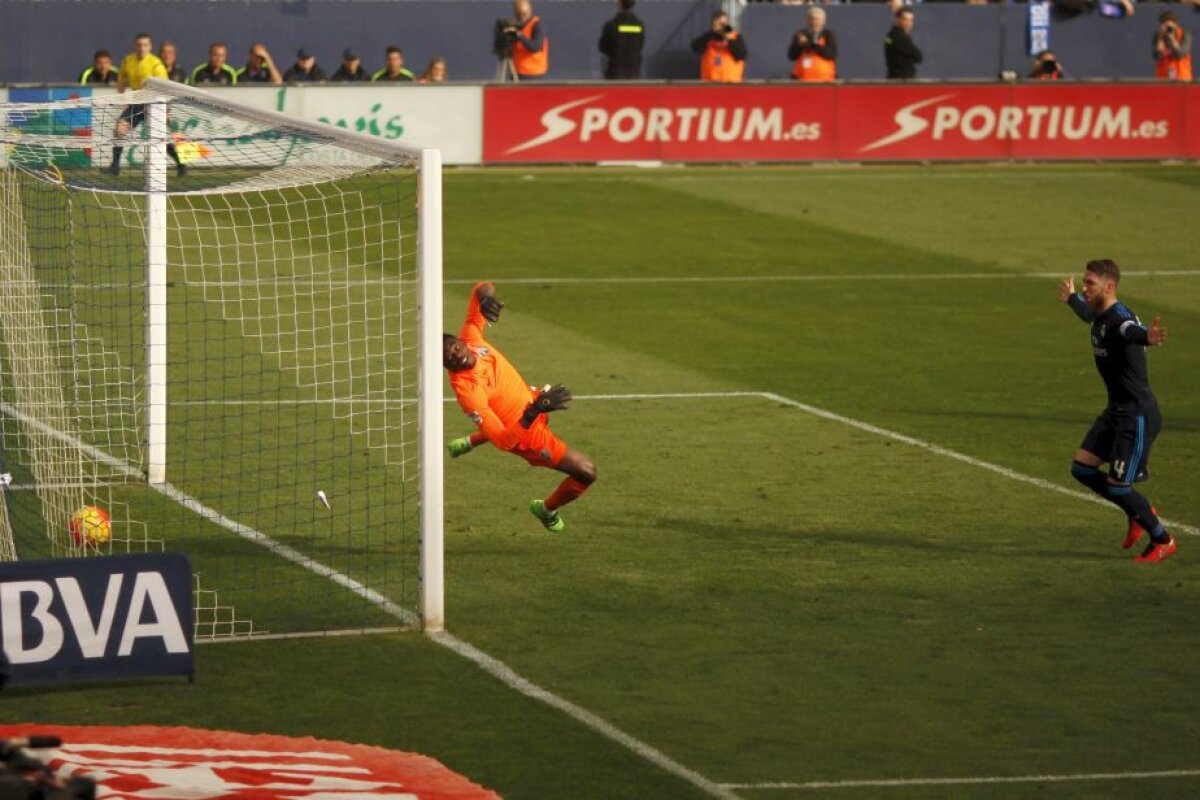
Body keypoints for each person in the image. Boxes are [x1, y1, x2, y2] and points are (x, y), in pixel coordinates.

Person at [445, 283, 597, 533]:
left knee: (504, 415)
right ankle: (546, 509)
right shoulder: (468, 393)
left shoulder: (471, 338)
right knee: (587, 472)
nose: (457, 355)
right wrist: (534, 411)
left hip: (528, 400)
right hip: (527, 435)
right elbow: (505, 442)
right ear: (446, 367)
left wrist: (485, 299)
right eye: (449, 358)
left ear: (460, 342)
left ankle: (471, 441)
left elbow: (482, 286)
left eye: (455, 347)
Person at [1058, 260, 1175, 563]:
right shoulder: (1099, 313)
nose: (1085, 287)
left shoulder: (1121, 319)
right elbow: (1089, 315)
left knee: (1120, 487)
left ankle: (1162, 538)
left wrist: (1147, 336)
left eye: (1090, 284)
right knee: (1081, 469)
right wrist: (1072, 298)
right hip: (1116, 411)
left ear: (1109, 287)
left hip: (1137, 416)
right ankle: (1134, 513)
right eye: (1084, 282)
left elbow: (1129, 330)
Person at [110, 33, 184, 177]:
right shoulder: (128, 60)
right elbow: (121, 79)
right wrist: (122, 98)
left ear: (150, 47)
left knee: (160, 138)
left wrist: (166, 110)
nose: (141, 48)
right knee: (119, 130)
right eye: (139, 45)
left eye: (145, 45)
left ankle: (180, 163)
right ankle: (115, 166)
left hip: (154, 105)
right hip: (136, 104)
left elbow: (166, 88)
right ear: (134, 46)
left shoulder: (156, 64)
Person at [691, 10, 747, 83]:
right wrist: (713, 33)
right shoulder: (708, 38)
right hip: (710, 86)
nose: (721, 26)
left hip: (731, 85)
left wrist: (728, 37)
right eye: (718, 23)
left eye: (723, 23)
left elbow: (741, 54)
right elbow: (695, 47)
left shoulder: (735, 37)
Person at [598, 0, 645, 80]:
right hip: (634, 72)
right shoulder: (639, 25)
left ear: (619, 3)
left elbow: (602, 47)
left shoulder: (611, 25)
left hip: (615, 72)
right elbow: (640, 45)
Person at [501, 0, 549, 79]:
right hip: (518, 71)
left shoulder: (537, 25)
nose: (522, 18)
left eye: (523, 14)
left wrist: (520, 36)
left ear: (529, 11)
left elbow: (535, 47)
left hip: (533, 73)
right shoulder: (518, 25)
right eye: (519, 15)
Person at [788, 7, 837, 82]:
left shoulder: (829, 34)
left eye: (817, 19)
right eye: (811, 19)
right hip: (802, 82)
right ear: (807, 20)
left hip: (825, 82)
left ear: (823, 21)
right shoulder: (801, 34)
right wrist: (799, 45)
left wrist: (810, 43)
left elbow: (831, 54)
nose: (814, 22)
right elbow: (792, 56)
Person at [884, 7, 922, 80]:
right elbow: (918, 56)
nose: (908, 23)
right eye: (905, 19)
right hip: (901, 82)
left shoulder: (891, 35)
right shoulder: (899, 36)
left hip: (896, 79)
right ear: (897, 19)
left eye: (911, 20)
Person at [1154, 12, 1192, 81]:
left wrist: (1172, 39)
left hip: (1182, 78)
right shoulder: (1158, 37)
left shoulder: (1184, 35)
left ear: (1176, 25)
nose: (1168, 29)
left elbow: (1180, 53)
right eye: (1166, 25)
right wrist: (1161, 37)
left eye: (1170, 26)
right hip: (1163, 80)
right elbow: (1157, 55)